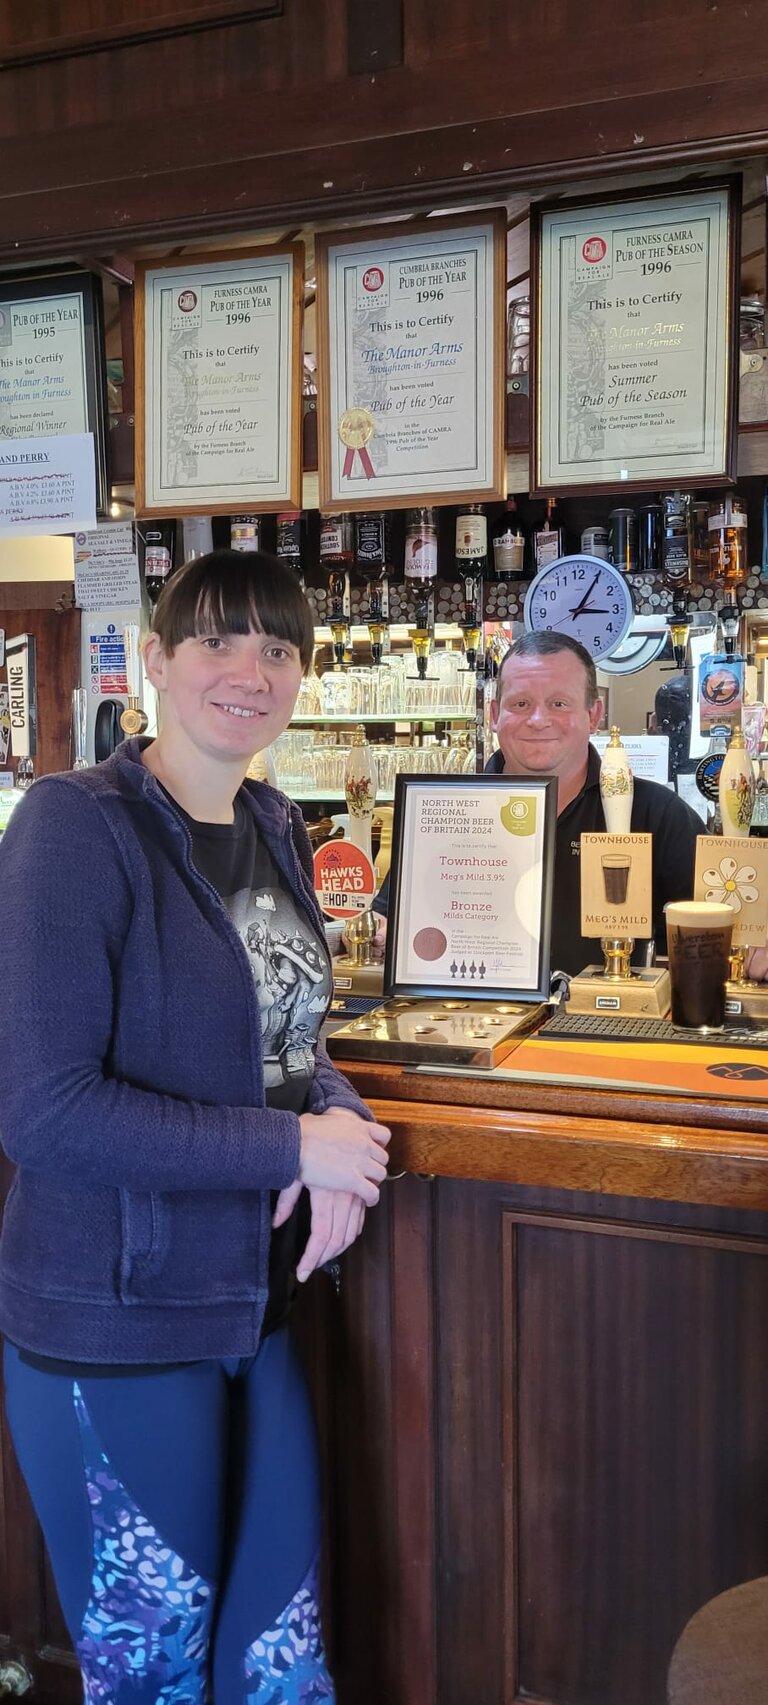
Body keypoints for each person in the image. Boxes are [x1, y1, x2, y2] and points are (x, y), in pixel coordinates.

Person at [0, 549, 391, 1705]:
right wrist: (291, 1150)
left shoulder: (272, 822)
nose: (251, 669)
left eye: (278, 647)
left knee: (277, 1670)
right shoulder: (75, 826)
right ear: (158, 662)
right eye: (219, 639)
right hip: (115, 1327)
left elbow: (289, 1035)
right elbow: (45, 1109)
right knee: (156, 1677)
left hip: (250, 1313)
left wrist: (342, 1129)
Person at [373, 631, 704, 978]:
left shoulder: (658, 813)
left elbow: (718, 921)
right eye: (521, 704)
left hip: (605, 1024)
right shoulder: (448, 812)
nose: (537, 720)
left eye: (559, 704)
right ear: (495, 714)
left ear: (594, 715)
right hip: (471, 1023)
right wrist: (376, 931)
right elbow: (392, 921)